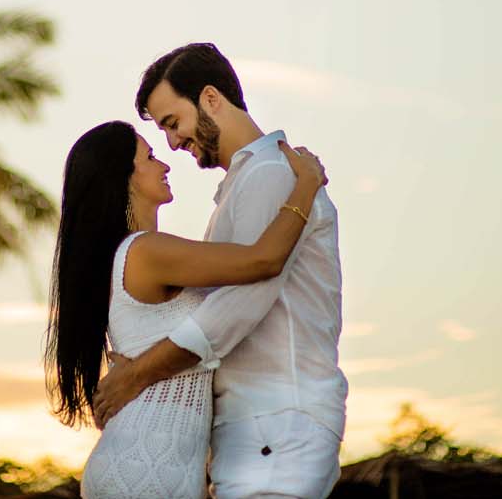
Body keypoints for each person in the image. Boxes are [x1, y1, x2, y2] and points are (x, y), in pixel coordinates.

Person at [93, 42, 348, 499]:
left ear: (210, 99)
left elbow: (240, 302)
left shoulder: (270, 174)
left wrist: (138, 374)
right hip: (257, 424)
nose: (172, 143)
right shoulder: (244, 184)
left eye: (173, 122)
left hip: (276, 417)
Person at [44, 118, 327, 499]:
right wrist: (306, 183)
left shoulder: (132, 255)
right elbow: (263, 260)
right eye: (150, 157)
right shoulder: (146, 252)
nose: (164, 165)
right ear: (123, 176)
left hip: (151, 463)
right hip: (146, 467)